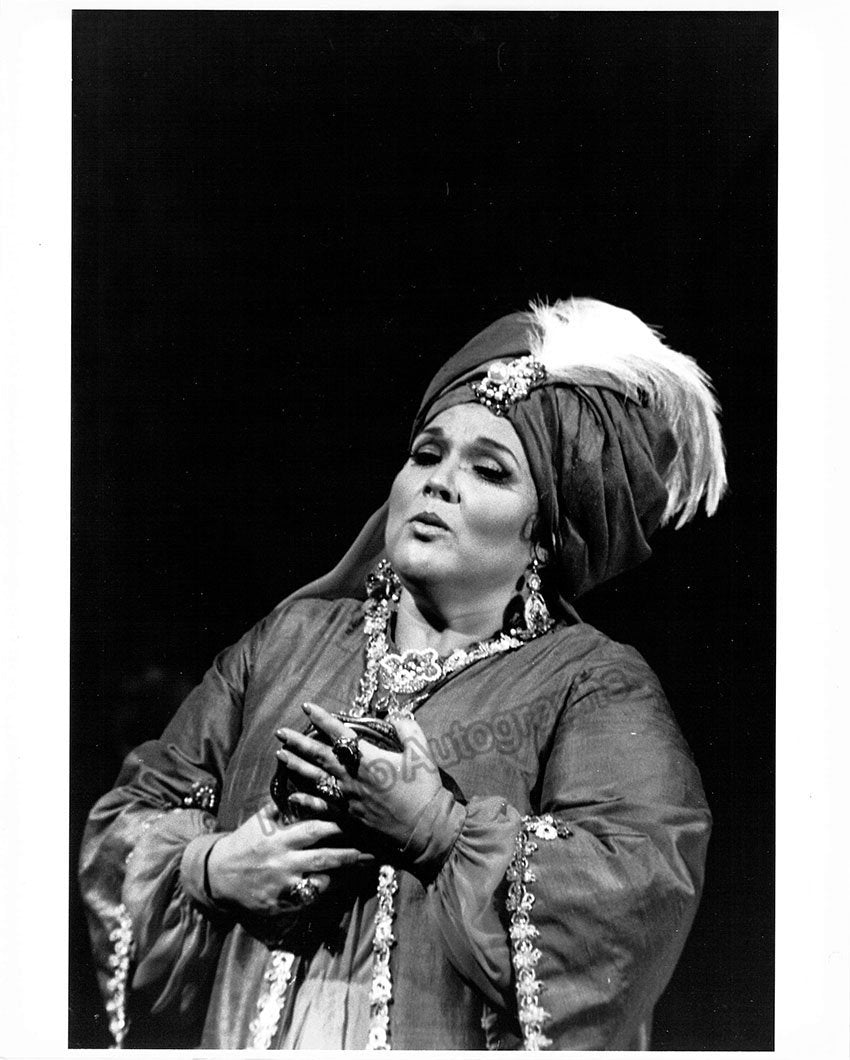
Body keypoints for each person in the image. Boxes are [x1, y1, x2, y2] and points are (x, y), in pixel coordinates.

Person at [79, 296, 727, 1050]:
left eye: (489, 471)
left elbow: (633, 899)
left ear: (546, 534)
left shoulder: (591, 681)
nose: (438, 483)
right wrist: (213, 867)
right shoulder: (284, 644)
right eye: (426, 454)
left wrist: (437, 832)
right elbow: (128, 821)